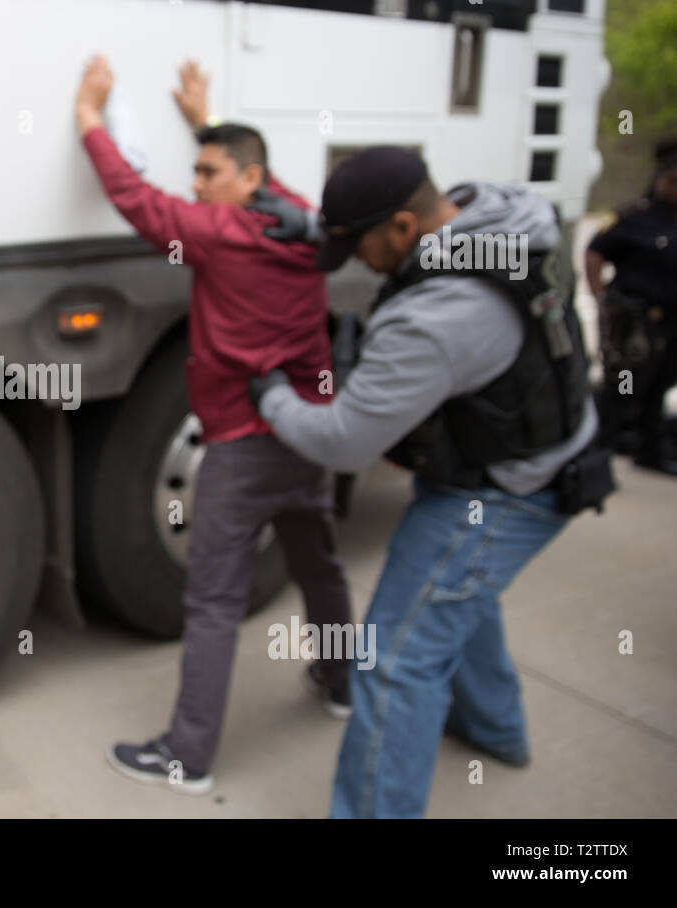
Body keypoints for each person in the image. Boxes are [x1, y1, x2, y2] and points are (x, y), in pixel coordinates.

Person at [249, 146, 613, 818]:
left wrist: (271, 396)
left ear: (404, 230)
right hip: (548, 451)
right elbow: (403, 243)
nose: (357, 261)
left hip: (505, 492)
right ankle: (494, 728)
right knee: (455, 595)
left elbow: (346, 440)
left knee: (393, 660)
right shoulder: (498, 213)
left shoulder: (435, 319)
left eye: (359, 246)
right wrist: (313, 227)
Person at [74, 56, 354, 796]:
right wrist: (205, 120)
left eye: (206, 172)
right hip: (309, 433)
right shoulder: (302, 221)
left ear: (245, 181)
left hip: (240, 445)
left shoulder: (218, 234)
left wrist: (89, 120)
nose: (194, 185)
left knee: (212, 600)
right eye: (194, 173)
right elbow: (243, 170)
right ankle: (341, 680)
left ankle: (187, 756)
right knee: (318, 563)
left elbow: (136, 199)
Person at [586, 138, 677, 475]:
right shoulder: (633, 217)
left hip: (672, 321)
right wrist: (600, 298)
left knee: (659, 388)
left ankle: (650, 452)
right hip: (636, 321)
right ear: (660, 179)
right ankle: (594, 457)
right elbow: (595, 252)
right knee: (621, 389)